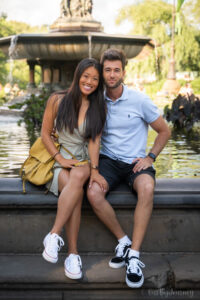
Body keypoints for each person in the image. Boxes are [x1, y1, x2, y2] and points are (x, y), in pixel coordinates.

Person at [87, 49, 171, 288]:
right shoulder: (97, 100)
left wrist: (151, 157)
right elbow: (94, 138)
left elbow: (164, 131)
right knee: (93, 192)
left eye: (116, 70)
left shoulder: (140, 100)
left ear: (124, 72)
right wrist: (94, 170)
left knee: (147, 187)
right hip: (109, 161)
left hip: (136, 162)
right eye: (107, 70)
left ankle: (133, 255)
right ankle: (122, 240)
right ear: (102, 73)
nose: (112, 75)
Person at [41, 58, 106, 280]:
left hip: (84, 160)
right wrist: (59, 157)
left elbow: (94, 142)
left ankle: (53, 235)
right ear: (78, 75)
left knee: (78, 176)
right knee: (74, 189)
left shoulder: (98, 105)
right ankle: (73, 254)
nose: (89, 82)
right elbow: (45, 134)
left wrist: (95, 170)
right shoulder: (57, 100)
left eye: (95, 79)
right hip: (59, 159)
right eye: (86, 76)